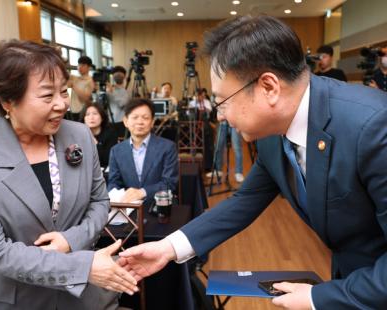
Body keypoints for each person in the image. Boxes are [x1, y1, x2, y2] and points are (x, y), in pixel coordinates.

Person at [118, 15, 387, 309]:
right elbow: (244, 201)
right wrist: (167, 248)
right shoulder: (272, 134)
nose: (219, 115)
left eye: (222, 101)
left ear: (269, 87)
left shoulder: (373, 127)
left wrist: (315, 298)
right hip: (353, 281)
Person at [0, 40, 138, 309]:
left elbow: (99, 202)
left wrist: (71, 240)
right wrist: (80, 267)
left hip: (84, 299)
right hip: (20, 300)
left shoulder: (77, 135)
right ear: (8, 101)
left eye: (64, 91)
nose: (62, 105)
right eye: (47, 96)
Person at [107, 98, 178, 204]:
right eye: (135, 117)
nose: (140, 122)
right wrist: (119, 197)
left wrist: (142, 192)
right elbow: (113, 183)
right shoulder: (116, 151)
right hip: (128, 207)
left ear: (152, 122)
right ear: (125, 121)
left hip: (159, 205)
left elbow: (169, 183)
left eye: (145, 118)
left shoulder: (168, 147)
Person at [80, 103, 119, 169]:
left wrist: (96, 145)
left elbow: (108, 160)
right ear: (84, 119)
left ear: (102, 118)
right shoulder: (80, 135)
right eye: (87, 114)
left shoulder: (110, 134)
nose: (91, 117)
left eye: (95, 114)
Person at [68, 56, 95, 121]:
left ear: (89, 67)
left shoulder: (90, 81)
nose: (80, 67)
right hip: (71, 111)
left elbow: (85, 98)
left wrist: (73, 86)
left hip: (81, 112)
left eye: (83, 65)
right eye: (79, 64)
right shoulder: (74, 78)